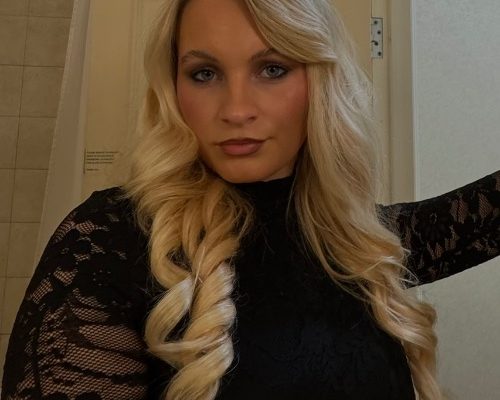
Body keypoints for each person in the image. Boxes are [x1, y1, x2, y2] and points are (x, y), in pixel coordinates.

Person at [1, 0, 499, 399]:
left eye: (272, 68)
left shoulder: (359, 243)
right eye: (204, 73)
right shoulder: (109, 239)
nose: (236, 109)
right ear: (173, 87)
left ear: (319, 81)